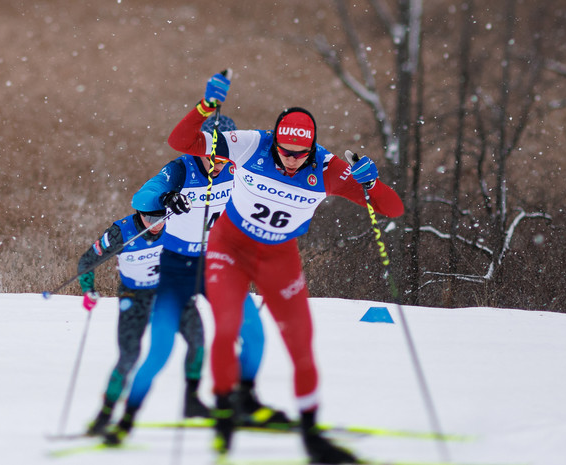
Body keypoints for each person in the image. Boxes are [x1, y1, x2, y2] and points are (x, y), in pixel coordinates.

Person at [166, 72, 405, 464]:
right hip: (230, 248)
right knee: (226, 330)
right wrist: (205, 108)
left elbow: (391, 208)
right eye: (285, 151)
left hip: (279, 257)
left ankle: (312, 436)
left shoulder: (327, 168)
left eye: (300, 153)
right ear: (275, 140)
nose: (292, 160)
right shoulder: (251, 144)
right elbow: (180, 142)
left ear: (311, 148)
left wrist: (372, 182)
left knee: (301, 345)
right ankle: (225, 417)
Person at [104, 115, 288, 446]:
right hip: (177, 269)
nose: (216, 164)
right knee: (160, 351)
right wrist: (165, 199)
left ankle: (242, 403)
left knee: (254, 336)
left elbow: (290, 158)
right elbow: (143, 197)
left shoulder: (239, 165)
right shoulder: (182, 169)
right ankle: (125, 420)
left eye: (223, 157)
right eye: (210, 155)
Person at [77, 209, 211, 436]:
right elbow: (88, 260)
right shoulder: (121, 232)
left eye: (161, 218)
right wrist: (88, 289)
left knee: (197, 342)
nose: (155, 224)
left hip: (170, 293)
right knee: (129, 356)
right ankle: (105, 414)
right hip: (135, 296)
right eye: (149, 218)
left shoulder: (179, 225)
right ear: (139, 214)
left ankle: (192, 400)